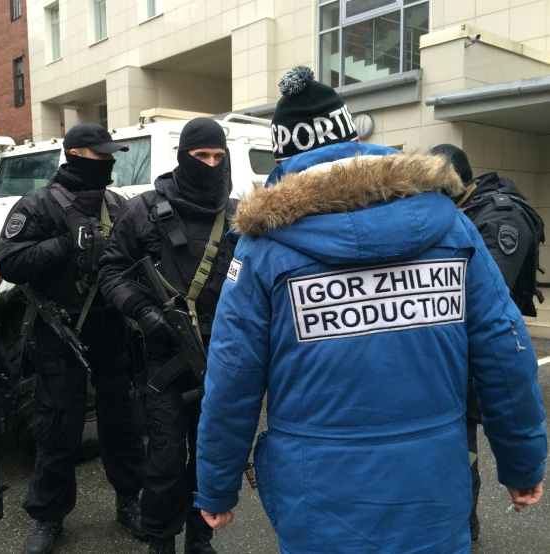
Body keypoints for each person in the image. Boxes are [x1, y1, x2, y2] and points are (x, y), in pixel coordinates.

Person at [193, 66, 547, 553]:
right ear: (355, 140)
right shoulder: (451, 226)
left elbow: (233, 376)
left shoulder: (262, 249)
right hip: (433, 485)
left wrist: (216, 482)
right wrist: (522, 463)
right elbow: (505, 351)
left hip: (319, 493)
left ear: (282, 157)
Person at [0, 123, 146, 554]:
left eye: (111, 154)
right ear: (76, 154)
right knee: (56, 426)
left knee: (122, 421)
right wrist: (64, 245)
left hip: (112, 328)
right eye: (102, 155)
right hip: (59, 330)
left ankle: (129, 500)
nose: (110, 161)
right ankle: (48, 516)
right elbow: (9, 263)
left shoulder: (117, 204)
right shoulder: (39, 204)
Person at [99, 117, 238, 554]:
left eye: (218, 156)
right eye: (201, 156)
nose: (211, 164)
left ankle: (200, 537)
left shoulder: (236, 214)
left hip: (221, 356)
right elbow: (111, 269)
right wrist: (142, 310)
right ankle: (161, 539)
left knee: (209, 455)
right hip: (164, 356)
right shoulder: (143, 209)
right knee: (163, 459)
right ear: (183, 156)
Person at [429, 143, 545, 541]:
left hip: (482, 354)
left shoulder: (499, 217)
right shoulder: (468, 209)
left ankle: (466, 524)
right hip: (462, 351)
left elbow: (484, 291)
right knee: (452, 443)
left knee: (463, 447)